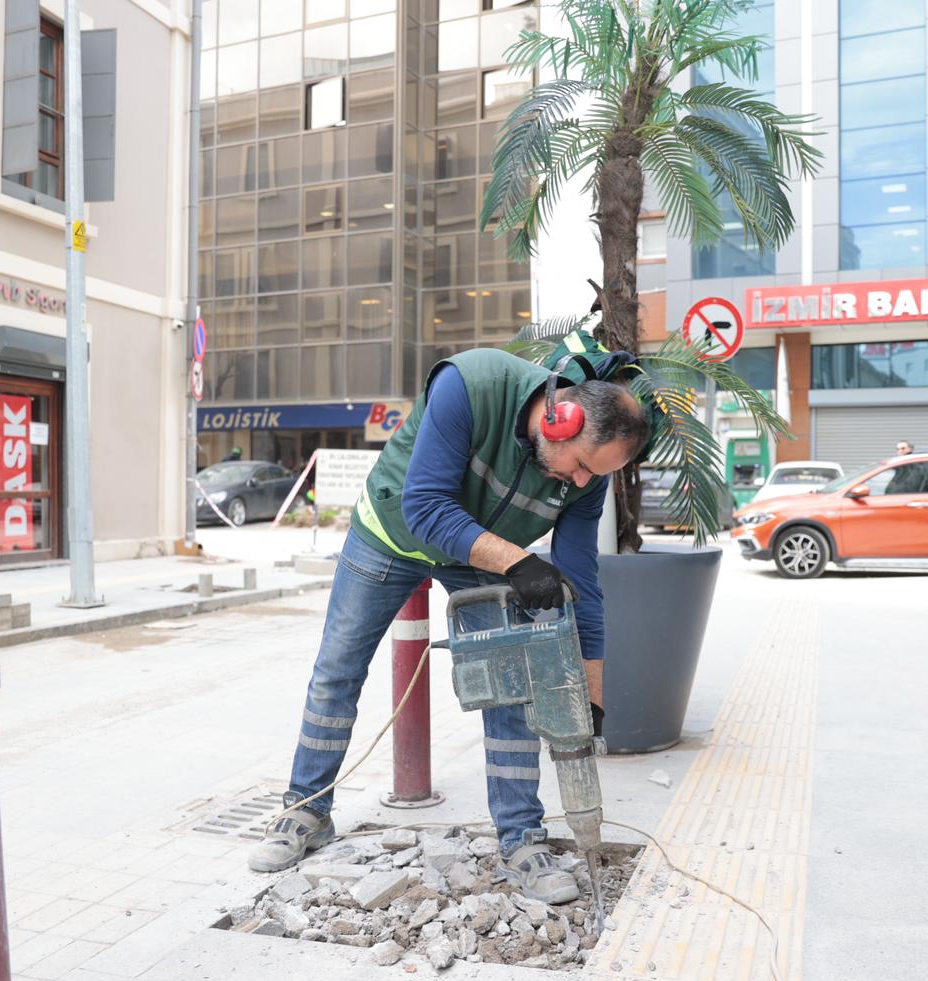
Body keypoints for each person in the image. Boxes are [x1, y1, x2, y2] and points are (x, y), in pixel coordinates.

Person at [247, 342, 651, 904]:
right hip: (391, 535)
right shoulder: (471, 383)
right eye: (581, 465)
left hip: (480, 554)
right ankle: (306, 812)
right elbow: (427, 508)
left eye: (594, 474)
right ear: (559, 421)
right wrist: (520, 563)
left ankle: (521, 840)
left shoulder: (590, 477)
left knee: (510, 683)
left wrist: (593, 693)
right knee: (336, 672)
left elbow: (583, 586)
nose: (582, 483)